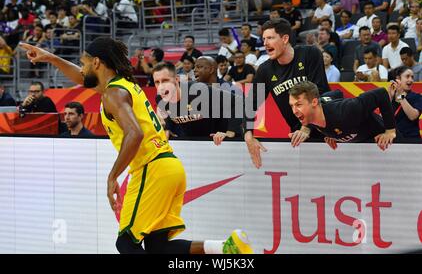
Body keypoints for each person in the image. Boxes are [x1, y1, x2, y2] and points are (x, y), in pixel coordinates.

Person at [20, 38, 253, 255]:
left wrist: (112, 176)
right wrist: (50, 57)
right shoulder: (121, 86)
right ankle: (225, 248)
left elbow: (135, 133)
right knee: (157, 245)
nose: (82, 69)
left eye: (84, 63)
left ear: (97, 63)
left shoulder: (113, 93)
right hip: (169, 168)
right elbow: (83, 78)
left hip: (151, 169)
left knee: (126, 242)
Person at [243, 18, 330, 168]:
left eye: (270, 38)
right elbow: (250, 104)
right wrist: (248, 134)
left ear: (285, 38)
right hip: (297, 135)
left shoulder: (310, 54)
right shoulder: (265, 70)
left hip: (325, 128)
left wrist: (306, 127)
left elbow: (320, 91)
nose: (265, 43)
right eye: (263, 39)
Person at [288, 81, 397, 150]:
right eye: (292, 106)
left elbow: (381, 94)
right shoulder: (312, 116)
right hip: (366, 147)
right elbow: (337, 93)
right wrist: (335, 136)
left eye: (298, 105)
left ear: (314, 102)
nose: (294, 111)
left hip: (388, 141)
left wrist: (390, 131)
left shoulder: (347, 110)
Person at [153, 62, 242, 142]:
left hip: (222, 139)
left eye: (165, 80)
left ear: (176, 79)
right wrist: (168, 128)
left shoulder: (198, 91)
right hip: (195, 141)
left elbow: (238, 101)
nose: (161, 86)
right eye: (157, 82)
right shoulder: (160, 99)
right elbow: (169, 113)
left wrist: (231, 131)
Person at [388, 65, 422, 139]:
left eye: (412, 77)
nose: (411, 80)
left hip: (411, 140)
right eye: (407, 76)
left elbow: (413, 116)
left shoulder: (417, 97)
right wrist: (389, 98)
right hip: (393, 140)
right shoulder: (391, 96)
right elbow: (382, 119)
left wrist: (400, 95)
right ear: (398, 79)